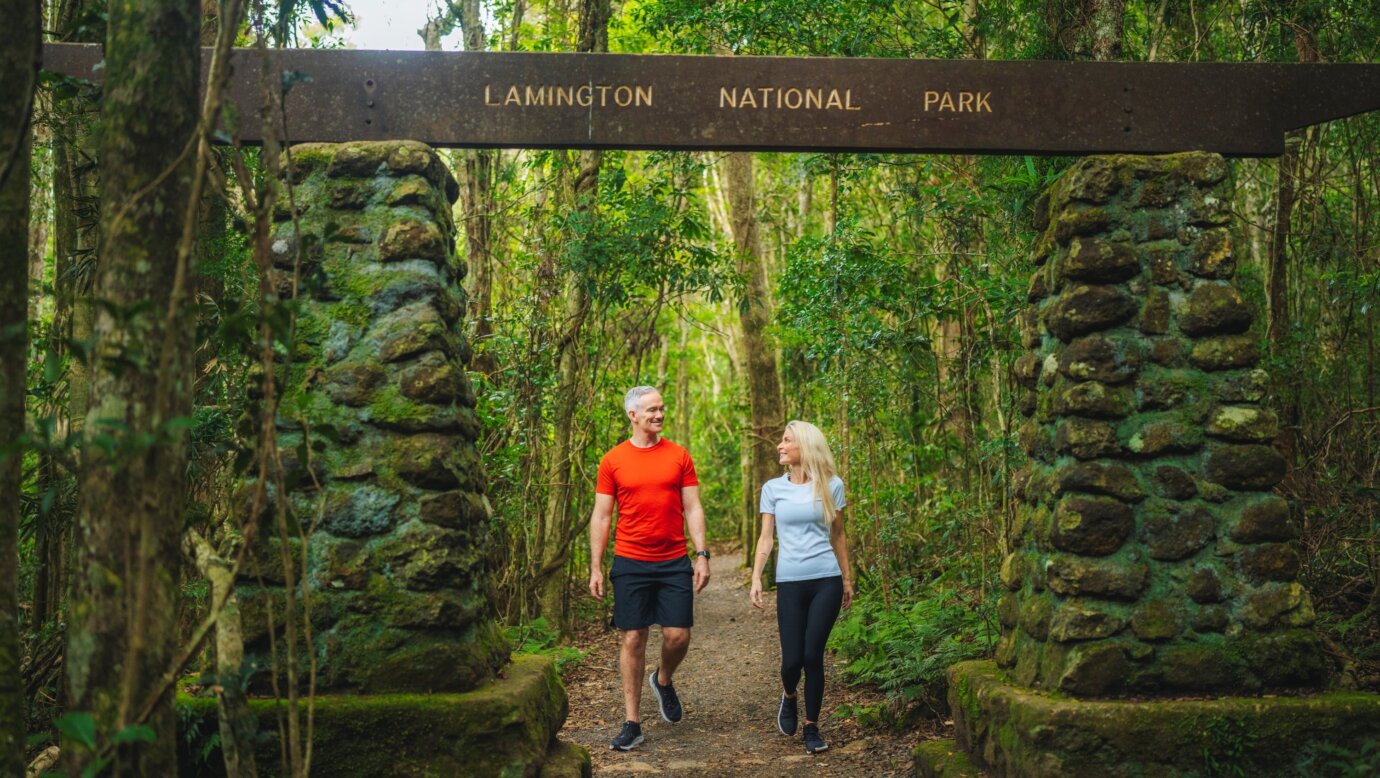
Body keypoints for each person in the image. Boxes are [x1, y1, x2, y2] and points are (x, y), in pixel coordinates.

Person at [589, 386, 710, 752]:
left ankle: (664, 679)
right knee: (633, 637)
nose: (659, 415)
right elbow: (603, 514)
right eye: (652, 410)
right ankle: (632, 722)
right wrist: (596, 566)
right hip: (630, 560)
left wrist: (702, 554)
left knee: (678, 636)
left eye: (662, 408)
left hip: (673, 560)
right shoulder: (613, 460)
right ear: (633, 415)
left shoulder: (679, 455)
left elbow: (693, 508)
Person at [750, 420, 854, 755]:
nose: (780, 446)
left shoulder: (831, 485)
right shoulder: (772, 489)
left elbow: (838, 536)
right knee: (792, 660)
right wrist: (756, 577)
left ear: (804, 446)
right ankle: (789, 695)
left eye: (786, 440)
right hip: (790, 581)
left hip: (826, 579)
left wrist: (847, 578)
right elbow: (766, 537)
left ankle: (812, 726)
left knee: (813, 655)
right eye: (781, 440)